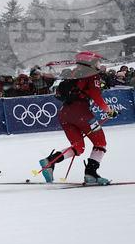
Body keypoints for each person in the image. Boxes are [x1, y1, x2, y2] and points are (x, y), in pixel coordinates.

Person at [39, 51, 117, 185]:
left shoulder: (73, 72)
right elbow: (96, 96)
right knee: (100, 143)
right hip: (81, 114)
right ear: (91, 61)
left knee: (78, 147)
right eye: (98, 61)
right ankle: (91, 174)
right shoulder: (92, 74)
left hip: (64, 114)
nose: (99, 64)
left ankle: (50, 161)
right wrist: (109, 111)